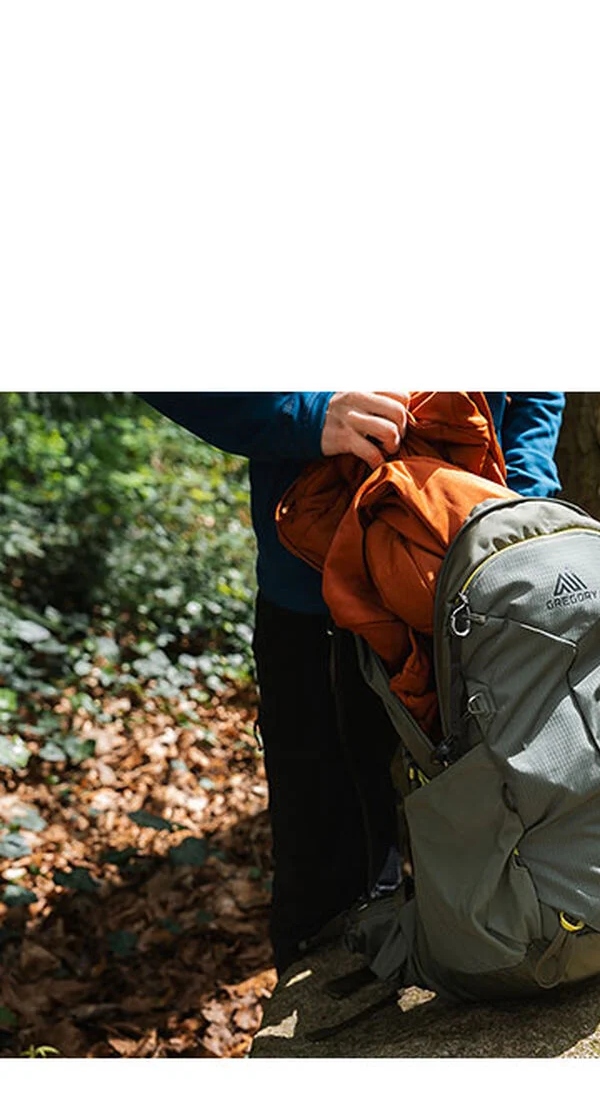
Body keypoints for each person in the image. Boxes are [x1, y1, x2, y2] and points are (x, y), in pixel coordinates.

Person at [139, 392, 565, 975]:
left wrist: (522, 499)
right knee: (329, 900)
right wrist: (306, 412)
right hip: (321, 593)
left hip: (481, 578)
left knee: (498, 843)